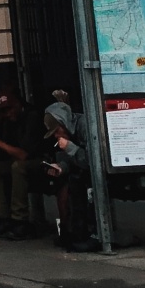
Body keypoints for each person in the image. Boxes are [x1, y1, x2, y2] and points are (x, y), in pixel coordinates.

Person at [0, 86, 41, 237]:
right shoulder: (7, 120)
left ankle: (19, 220)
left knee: (18, 166)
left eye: (9, 109)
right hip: (17, 161)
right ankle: (0, 217)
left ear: (18, 104)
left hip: (41, 162)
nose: (7, 114)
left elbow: (23, 155)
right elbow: (0, 151)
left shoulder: (31, 116)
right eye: (3, 111)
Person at [43, 94, 93, 250]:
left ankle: (86, 233)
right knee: (63, 185)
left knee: (76, 184)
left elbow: (92, 161)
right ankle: (68, 231)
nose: (57, 136)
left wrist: (70, 147)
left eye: (58, 131)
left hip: (93, 174)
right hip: (78, 172)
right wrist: (61, 167)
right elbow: (70, 162)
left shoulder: (83, 125)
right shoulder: (64, 137)